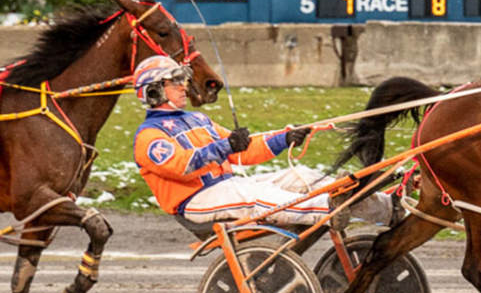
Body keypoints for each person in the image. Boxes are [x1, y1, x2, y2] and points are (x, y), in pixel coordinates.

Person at [131, 55, 398, 230]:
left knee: (300, 177)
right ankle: (326, 209)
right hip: (197, 201)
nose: (183, 85)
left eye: (182, 79)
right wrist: (226, 146)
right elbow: (183, 166)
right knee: (258, 196)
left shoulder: (198, 119)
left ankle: (386, 208)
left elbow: (243, 152)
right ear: (153, 91)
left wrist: (284, 138)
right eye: (174, 81)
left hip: (227, 186)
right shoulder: (149, 137)